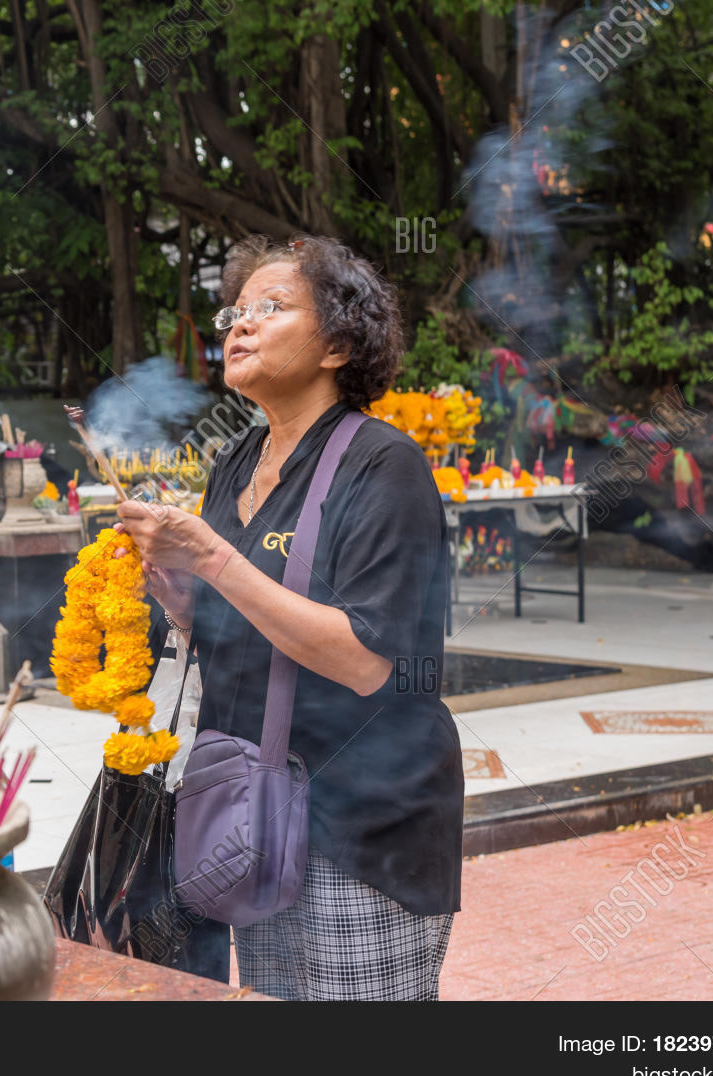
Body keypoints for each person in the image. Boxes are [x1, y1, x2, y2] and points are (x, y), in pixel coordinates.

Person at [114, 234, 464, 1001]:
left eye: (271, 308)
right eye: (236, 310)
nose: (240, 324)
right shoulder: (237, 460)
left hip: (362, 825)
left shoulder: (384, 466)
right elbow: (239, 622)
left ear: (338, 342)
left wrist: (211, 559)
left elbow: (364, 658)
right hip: (250, 814)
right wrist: (182, 604)